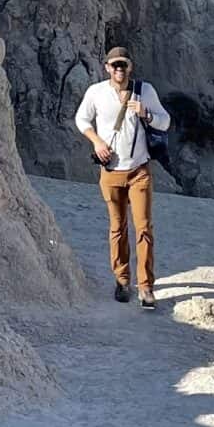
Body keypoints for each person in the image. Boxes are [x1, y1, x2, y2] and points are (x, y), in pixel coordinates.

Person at [74, 46, 170, 307]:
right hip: (111, 171)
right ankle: (122, 280)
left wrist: (146, 114)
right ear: (106, 67)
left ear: (130, 67)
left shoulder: (145, 91)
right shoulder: (96, 93)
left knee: (144, 228)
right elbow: (82, 119)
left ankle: (146, 287)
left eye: (123, 64)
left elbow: (165, 121)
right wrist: (96, 142)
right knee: (118, 228)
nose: (119, 69)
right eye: (114, 64)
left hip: (139, 170)